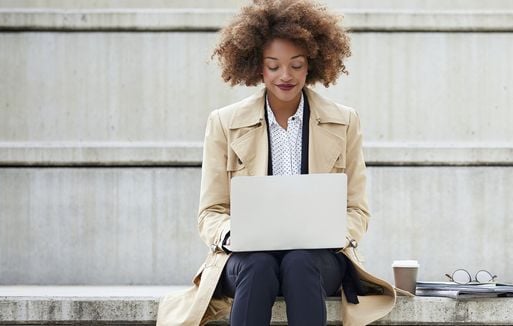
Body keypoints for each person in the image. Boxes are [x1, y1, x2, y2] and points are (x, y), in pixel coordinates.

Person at [157, 1, 398, 325]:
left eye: (296, 65)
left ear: (311, 64)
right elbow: (210, 212)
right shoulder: (224, 123)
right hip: (246, 259)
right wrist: (234, 233)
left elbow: (357, 209)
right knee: (258, 264)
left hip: (317, 261)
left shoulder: (345, 121)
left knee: (300, 262)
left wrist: (334, 232)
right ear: (258, 66)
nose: (285, 76)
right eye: (274, 66)